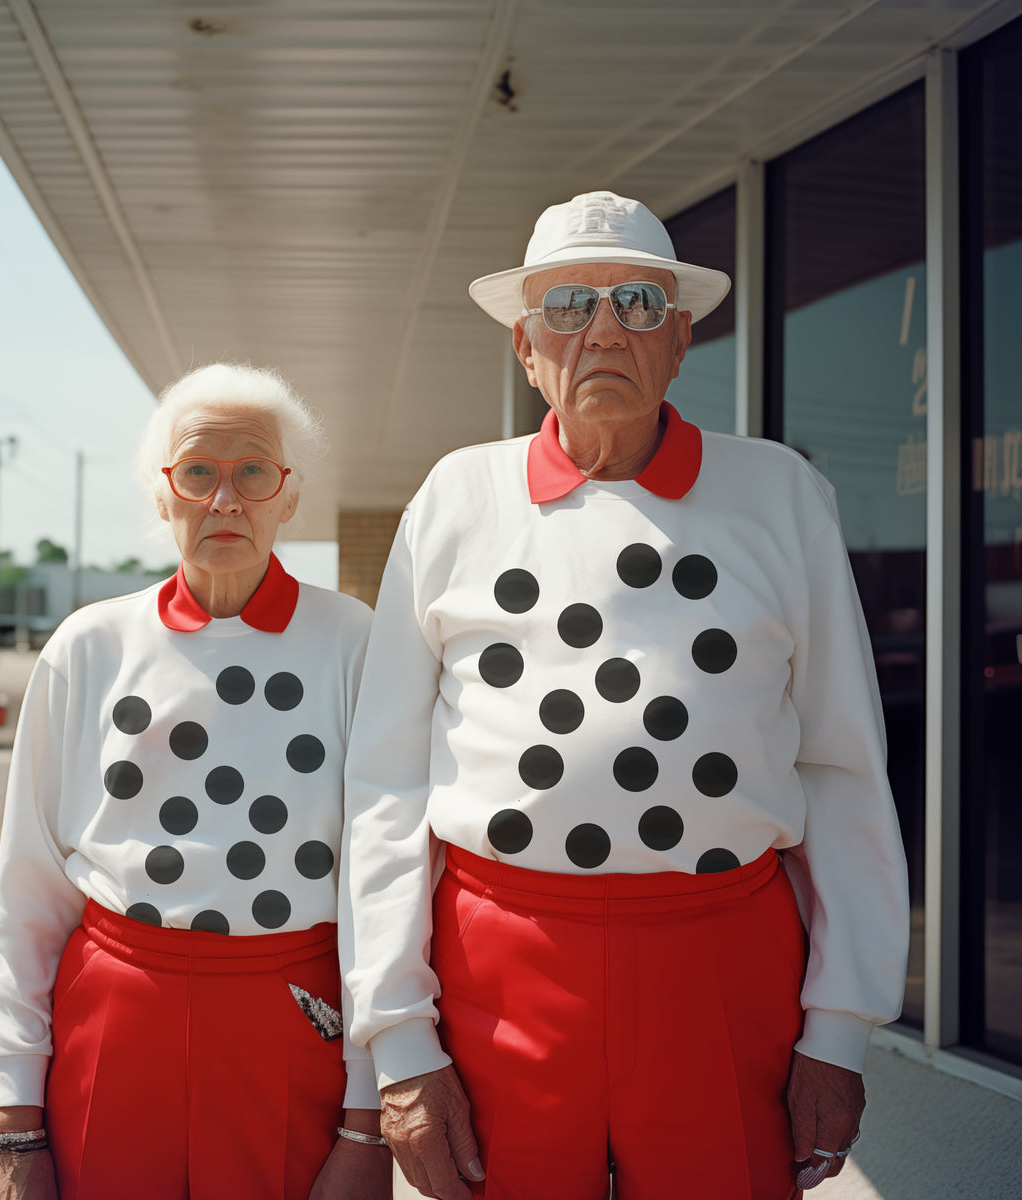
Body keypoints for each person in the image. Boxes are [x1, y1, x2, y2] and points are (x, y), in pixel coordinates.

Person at [340, 192, 910, 1200]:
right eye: (569, 307)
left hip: (724, 966)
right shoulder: (455, 497)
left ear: (681, 338)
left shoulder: (782, 495)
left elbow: (842, 766)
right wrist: (398, 1040)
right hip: (498, 969)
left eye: (638, 304)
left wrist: (842, 1029)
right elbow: (387, 783)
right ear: (526, 347)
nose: (603, 328)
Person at [0, 362, 391, 1199]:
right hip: (115, 1021)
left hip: (294, 1019)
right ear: (162, 494)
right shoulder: (88, 646)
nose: (225, 499)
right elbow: (29, 888)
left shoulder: (356, 642)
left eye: (253, 472)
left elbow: (381, 889)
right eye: (198, 472)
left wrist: (365, 1120)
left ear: (289, 495)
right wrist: (16, 1122)